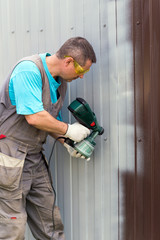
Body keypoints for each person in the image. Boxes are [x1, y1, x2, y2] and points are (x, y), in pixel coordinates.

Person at [0, 37, 96, 240]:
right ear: (68, 61)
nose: (81, 77)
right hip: (9, 157)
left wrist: (68, 142)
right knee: (12, 229)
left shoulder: (60, 84)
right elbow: (35, 117)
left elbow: (50, 121)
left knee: (50, 223)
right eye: (81, 72)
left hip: (34, 157)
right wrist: (69, 129)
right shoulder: (29, 70)